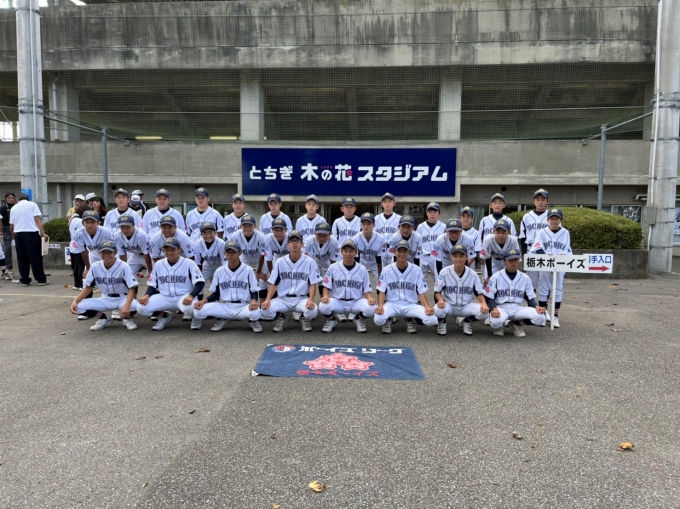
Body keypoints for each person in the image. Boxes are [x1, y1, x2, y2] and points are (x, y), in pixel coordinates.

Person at [192, 240, 263, 333]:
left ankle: (253, 321)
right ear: (224, 253)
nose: (230, 255)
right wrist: (203, 301)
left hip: (243, 306)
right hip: (225, 306)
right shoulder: (219, 271)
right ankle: (225, 318)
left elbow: (254, 291)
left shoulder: (248, 270)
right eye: (228, 252)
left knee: (255, 312)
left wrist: (254, 301)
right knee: (198, 311)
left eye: (233, 252)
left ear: (240, 253)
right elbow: (216, 294)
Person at [136, 237, 205, 331]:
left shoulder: (189, 263)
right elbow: (152, 284)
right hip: (164, 297)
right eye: (166, 250)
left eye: (173, 250)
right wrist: (146, 295)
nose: (169, 252)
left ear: (179, 249)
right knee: (141, 307)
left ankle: (196, 317)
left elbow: (200, 282)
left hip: (184, 297)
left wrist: (191, 296)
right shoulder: (158, 264)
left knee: (190, 308)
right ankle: (164, 316)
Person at [69, 240, 139, 331]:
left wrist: (127, 305)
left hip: (122, 298)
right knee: (77, 307)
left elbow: (132, 288)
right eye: (103, 252)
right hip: (105, 299)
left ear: (115, 252)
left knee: (136, 306)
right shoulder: (95, 266)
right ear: (99, 253)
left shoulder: (124, 266)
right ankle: (104, 318)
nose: (106, 255)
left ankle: (126, 319)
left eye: (109, 252)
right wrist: (76, 301)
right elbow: (89, 287)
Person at [260, 230, 322, 332]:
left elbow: (313, 284)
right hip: (283, 299)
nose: (294, 243)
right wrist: (267, 300)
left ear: (302, 244)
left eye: (297, 240)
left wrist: (311, 300)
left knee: (313, 311)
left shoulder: (310, 262)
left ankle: (304, 318)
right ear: (287, 244)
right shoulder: (280, 262)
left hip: (301, 299)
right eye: (292, 241)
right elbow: (273, 284)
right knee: (264, 310)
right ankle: (281, 318)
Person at [374, 239, 437, 334]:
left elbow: (421, 291)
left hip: (411, 305)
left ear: (409, 252)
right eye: (399, 251)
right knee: (378, 319)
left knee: (431, 319)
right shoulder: (386, 270)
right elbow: (382, 291)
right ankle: (388, 319)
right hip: (392, 304)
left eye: (405, 251)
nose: (402, 254)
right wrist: (380, 306)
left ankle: (410, 319)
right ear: (394, 252)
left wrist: (427, 306)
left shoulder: (416, 270)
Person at [484, 248, 546, 337]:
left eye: (515, 260)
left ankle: (516, 323)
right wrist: (494, 308)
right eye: (510, 260)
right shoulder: (496, 277)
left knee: (541, 317)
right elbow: (490, 297)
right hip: (501, 308)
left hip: (518, 309)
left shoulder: (525, 278)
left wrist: (536, 306)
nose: (513, 262)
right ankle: (499, 326)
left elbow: (530, 298)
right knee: (495, 322)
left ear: (518, 260)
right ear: (504, 261)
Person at [319, 238, 377, 333]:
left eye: (351, 251)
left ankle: (358, 319)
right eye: (345, 251)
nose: (348, 254)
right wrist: (325, 296)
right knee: (323, 306)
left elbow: (366, 289)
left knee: (372, 307)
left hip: (356, 302)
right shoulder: (333, 267)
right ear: (341, 252)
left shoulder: (362, 269)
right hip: (338, 302)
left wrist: (370, 298)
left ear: (356, 252)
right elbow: (326, 286)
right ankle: (332, 320)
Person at [433, 244, 489, 336]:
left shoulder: (473, 274)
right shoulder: (444, 271)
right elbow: (437, 291)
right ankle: (442, 322)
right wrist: (440, 300)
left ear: (466, 257)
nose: (458, 259)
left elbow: (478, 292)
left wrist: (483, 303)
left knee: (485, 313)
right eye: (455, 256)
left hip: (465, 306)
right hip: (449, 306)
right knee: (437, 310)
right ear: (451, 257)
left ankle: (467, 322)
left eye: (461, 256)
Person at [531, 208, 571, 328]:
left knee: (558, 289)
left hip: (560, 263)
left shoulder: (565, 232)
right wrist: (544, 255)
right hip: (545, 262)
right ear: (548, 220)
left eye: (556, 218)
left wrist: (562, 256)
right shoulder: (542, 232)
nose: (554, 221)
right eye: (552, 218)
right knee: (543, 288)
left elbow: (567, 249)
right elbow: (537, 247)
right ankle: (543, 315)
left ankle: (555, 316)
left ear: (561, 220)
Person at [9, 193, 48, 286]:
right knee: (35, 257)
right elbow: (37, 219)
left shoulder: (14, 208)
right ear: (28, 199)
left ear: (18, 199)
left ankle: (25, 280)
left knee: (22, 258)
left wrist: (13, 235)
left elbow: (12, 226)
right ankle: (41, 280)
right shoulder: (32, 204)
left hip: (19, 235)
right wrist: (43, 233)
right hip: (31, 234)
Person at [303, 221, 340, 320]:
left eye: (325, 235)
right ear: (314, 233)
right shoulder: (310, 241)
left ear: (330, 234)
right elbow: (309, 260)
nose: (322, 238)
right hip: (315, 261)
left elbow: (333, 262)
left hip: (329, 261)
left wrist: (332, 276)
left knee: (335, 280)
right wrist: (311, 274)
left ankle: (338, 308)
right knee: (313, 280)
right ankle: (313, 303)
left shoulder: (334, 241)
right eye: (319, 235)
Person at [70, 210, 115, 280]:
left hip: (107, 255)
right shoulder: (79, 233)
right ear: (82, 223)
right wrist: (88, 268)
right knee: (87, 279)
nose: (89, 225)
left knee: (110, 278)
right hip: (92, 255)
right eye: (87, 222)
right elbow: (83, 251)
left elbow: (112, 249)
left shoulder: (106, 232)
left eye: (92, 222)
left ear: (98, 223)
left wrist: (109, 264)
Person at [519, 188, 550, 291]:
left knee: (546, 280)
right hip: (530, 249)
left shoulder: (552, 216)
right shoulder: (526, 217)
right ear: (534, 201)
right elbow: (523, 237)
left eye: (543, 199)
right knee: (531, 281)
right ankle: (531, 301)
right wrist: (523, 255)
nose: (540, 202)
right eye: (538, 199)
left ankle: (544, 301)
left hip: (546, 250)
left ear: (547, 201)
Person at [257, 217, 290, 300]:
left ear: (286, 230)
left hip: (288, 260)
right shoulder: (268, 238)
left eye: (281, 230)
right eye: (276, 230)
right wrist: (272, 274)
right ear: (272, 230)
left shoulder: (290, 237)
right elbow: (268, 258)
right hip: (275, 258)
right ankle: (263, 301)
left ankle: (280, 301)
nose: (279, 232)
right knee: (265, 280)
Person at [481, 219, 521, 284]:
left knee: (507, 282)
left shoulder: (513, 240)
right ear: (494, 232)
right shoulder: (488, 240)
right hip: (493, 262)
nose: (500, 235)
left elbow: (516, 257)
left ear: (509, 232)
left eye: (504, 232)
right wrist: (489, 275)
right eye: (498, 232)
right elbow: (486, 258)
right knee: (491, 282)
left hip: (507, 262)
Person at [351, 212, 386, 279]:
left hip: (375, 263)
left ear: (374, 225)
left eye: (368, 224)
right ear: (360, 225)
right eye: (363, 224)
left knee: (382, 280)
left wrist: (380, 275)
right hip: (361, 262)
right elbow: (356, 258)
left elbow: (379, 258)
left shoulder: (380, 238)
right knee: (357, 279)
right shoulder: (356, 238)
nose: (365, 226)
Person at [417, 202, 446, 281]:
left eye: (435, 212)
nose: (432, 214)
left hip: (437, 257)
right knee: (419, 279)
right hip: (423, 256)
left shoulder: (443, 227)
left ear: (439, 213)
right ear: (426, 213)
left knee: (438, 279)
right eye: (430, 212)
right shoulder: (420, 227)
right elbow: (417, 242)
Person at [68, 202, 92, 291]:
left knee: (76, 266)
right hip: (79, 244)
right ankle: (82, 284)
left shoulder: (73, 218)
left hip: (73, 244)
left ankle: (77, 284)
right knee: (82, 265)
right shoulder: (79, 220)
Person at [375, 192, 401, 269]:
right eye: (385, 202)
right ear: (382, 204)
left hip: (394, 249)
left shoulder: (399, 219)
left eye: (389, 201)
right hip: (380, 250)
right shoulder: (376, 218)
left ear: (394, 203)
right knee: (380, 272)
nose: (387, 204)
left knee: (393, 271)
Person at [0, 192, 16, 276]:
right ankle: (8, 265)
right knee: (8, 247)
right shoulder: (3, 208)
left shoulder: (17, 207)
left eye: (13, 198)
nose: (11, 199)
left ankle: (17, 264)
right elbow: (0, 220)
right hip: (6, 228)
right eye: (9, 198)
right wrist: (1, 230)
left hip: (17, 228)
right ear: (6, 199)